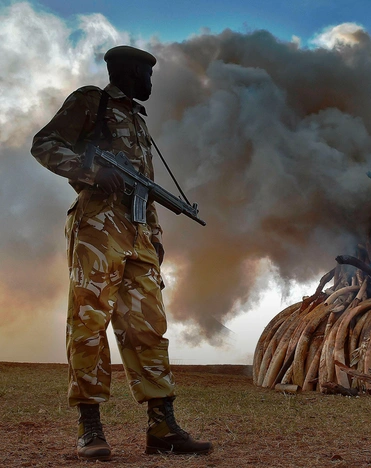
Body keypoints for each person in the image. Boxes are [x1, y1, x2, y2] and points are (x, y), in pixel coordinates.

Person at [31, 45, 212, 461]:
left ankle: (162, 428)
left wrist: (155, 234)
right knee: (89, 323)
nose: (151, 84)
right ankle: (90, 428)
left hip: (138, 234)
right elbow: (44, 144)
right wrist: (92, 171)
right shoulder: (91, 101)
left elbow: (143, 189)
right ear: (129, 72)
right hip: (97, 227)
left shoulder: (138, 121)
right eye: (147, 75)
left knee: (149, 328)